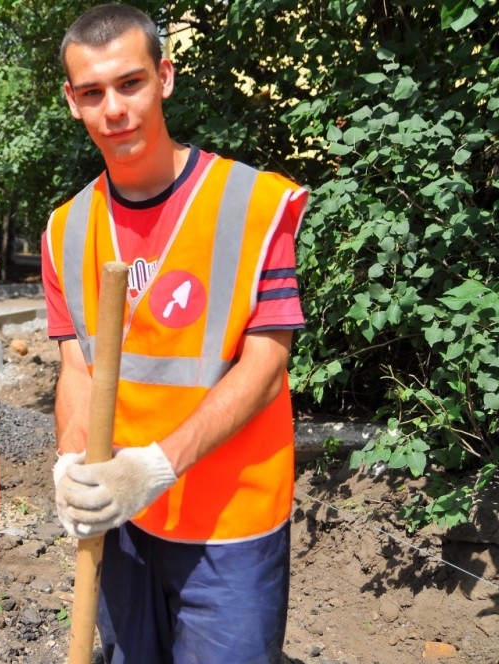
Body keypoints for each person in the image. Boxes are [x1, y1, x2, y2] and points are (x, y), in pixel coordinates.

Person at [42, 5, 309, 663]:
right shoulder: (65, 229)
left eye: (130, 83)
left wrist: (156, 466)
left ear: (164, 77)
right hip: (122, 523)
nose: (115, 109)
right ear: (73, 102)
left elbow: (265, 363)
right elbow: (78, 371)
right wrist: (73, 464)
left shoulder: (251, 204)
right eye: (94, 92)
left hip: (229, 522)